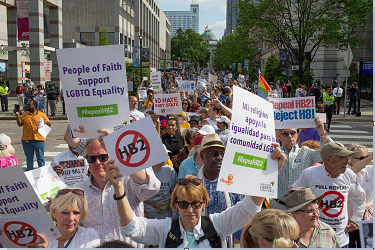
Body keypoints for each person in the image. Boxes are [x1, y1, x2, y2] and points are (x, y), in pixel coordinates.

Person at [107, 169, 265, 248]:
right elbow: (132, 227)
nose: (190, 210)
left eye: (195, 204)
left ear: (204, 204)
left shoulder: (217, 224)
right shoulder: (165, 229)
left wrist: (269, 172)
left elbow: (249, 208)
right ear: (176, 205)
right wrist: (120, 192)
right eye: (183, 204)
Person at [79, 138, 160, 247]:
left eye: (103, 157)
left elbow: (152, 187)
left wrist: (122, 158)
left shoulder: (128, 181)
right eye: (91, 158)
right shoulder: (80, 191)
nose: (97, 162)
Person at [292, 142, 366, 247]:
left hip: (341, 238)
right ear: (328, 159)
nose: (347, 162)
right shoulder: (310, 173)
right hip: (318, 238)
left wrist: (356, 219)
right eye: (342, 158)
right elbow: (294, 197)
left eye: (348, 158)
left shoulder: (349, 175)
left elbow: (360, 197)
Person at [270, 117, 332, 209]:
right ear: (280, 136)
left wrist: (322, 133)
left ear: (297, 134)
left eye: (292, 133)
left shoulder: (306, 152)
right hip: (278, 205)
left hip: (299, 207)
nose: (290, 136)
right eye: (286, 134)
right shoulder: (274, 153)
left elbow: (328, 153)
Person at [27, 187, 101, 248]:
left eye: (76, 213)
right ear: (53, 212)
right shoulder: (40, 235)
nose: (71, 218)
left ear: (82, 214)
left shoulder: (89, 236)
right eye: (65, 212)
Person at [346, 144, 373, 248]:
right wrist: (370, 157)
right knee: (350, 244)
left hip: (367, 216)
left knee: (366, 245)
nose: (366, 160)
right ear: (351, 159)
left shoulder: (370, 170)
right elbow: (352, 171)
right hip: (350, 215)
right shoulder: (346, 172)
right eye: (362, 158)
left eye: (366, 157)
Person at [14, 99, 51, 171]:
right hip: (27, 140)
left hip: (39, 140)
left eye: (29, 105)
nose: (27, 106)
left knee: (40, 158)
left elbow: (49, 124)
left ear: (34, 106)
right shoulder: (25, 114)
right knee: (29, 158)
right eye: (27, 104)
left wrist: (46, 122)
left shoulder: (41, 114)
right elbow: (20, 124)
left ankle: (42, 172)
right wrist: (17, 115)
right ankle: (29, 173)